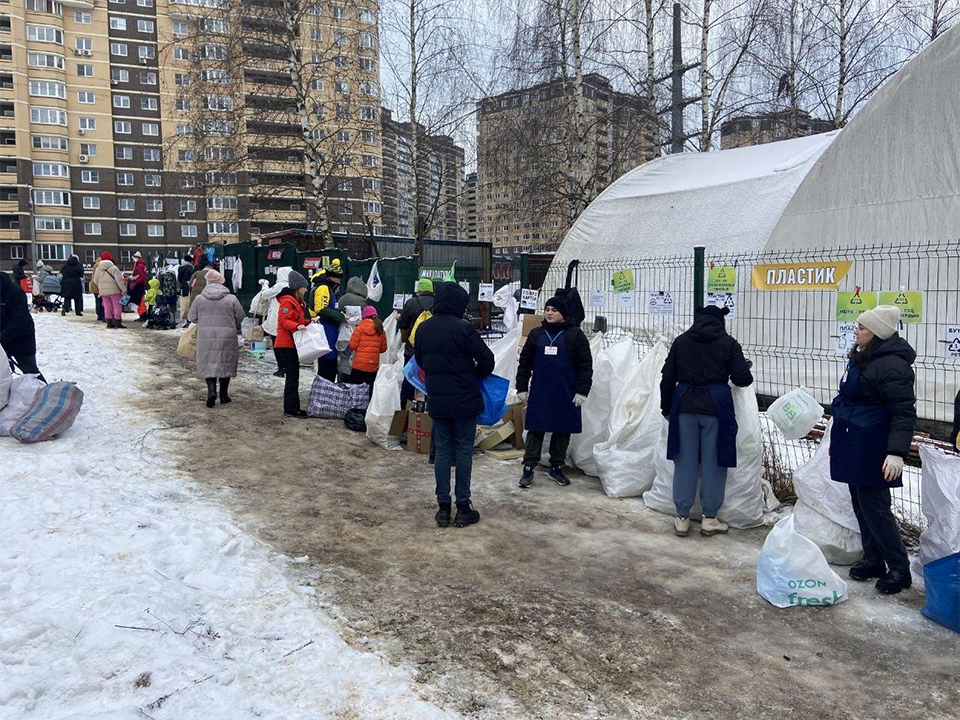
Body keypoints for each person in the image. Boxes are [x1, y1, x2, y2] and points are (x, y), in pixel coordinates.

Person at [830, 305, 917, 595]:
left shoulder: (892, 365)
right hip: (854, 439)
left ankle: (900, 569)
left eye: (862, 327)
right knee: (859, 501)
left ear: (877, 333)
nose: (856, 331)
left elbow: (903, 412)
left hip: (874, 445)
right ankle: (873, 559)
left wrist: (896, 452)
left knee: (876, 507)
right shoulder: (862, 356)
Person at [660, 305, 753, 538]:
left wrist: (666, 407)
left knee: (685, 461)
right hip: (716, 406)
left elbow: (667, 377)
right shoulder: (729, 343)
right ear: (721, 321)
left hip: (684, 405)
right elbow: (743, 379)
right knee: (714, 461)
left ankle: (682, 518)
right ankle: (710, 518)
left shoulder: (681, 341)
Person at [414, 283, 494, 528]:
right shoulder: (464, 328)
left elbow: (420, 360)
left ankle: (442, 508)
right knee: (463, 451)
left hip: (438, 398)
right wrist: (474, 373)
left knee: (442, 452)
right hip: (465, 399)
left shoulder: (424, 328)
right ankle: (463, 507)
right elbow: (487, 360)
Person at [516, 296, 593, 488]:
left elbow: (585, 366)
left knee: (562, 429)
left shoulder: (575, 335)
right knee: (536, 429)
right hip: (541, 391)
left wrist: (582, 391)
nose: (549, 313)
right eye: (547, 309)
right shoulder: (536, 334)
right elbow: (524, 363)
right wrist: (522, 387)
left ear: (563, 314)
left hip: (565, 392)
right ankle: (528, 467)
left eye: (554, 310)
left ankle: (556, 466)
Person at [187, 270, 246, 408]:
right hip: (227, 335)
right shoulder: (231, 298)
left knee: (209, 362)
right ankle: (224, 395)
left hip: (206, 335)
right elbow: (241, 316)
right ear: (222, 282)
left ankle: (211, 391)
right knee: (225, 362)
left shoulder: (199, 299)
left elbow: (191, 318)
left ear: (207, 282)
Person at [274, 270, 310, 418]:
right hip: (286, 345)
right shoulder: (288, 302)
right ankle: (290, 409)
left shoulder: (295, 301)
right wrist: (297, 326)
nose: (306, 290)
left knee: (294, 376)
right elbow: (283, 321)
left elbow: (297, 321)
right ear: (297, 287)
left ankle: (293, 407)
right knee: (292, 377)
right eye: (304, 287)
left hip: (291, 344)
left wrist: (308, 322)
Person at [398, 278, 435, 408]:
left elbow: (403, 325)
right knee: (431, 382)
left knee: (409, 379)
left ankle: (405, 412)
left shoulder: (411, 303)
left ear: (419, 290)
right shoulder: (438, 304)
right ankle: (429, 415)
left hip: (412, 351)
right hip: (432, 351)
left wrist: (406, 340)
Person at [0, 272, 44, 379]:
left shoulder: (15, 292)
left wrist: (1, 338)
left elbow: (19, 321)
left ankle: (43, 393)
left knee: (30, 371)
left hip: (21, 338)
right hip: (3, 337)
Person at [308, 269, 345, 382]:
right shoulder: (323, 288)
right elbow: (321, 309)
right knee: (327, 369)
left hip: (329, 333)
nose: (339, 282)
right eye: (338, 279)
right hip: (326, 334)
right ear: (332, 278)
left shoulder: (325, 287)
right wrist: (341, 317)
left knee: (328, 368)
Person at [348, 305, 387, 390]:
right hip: (373, 367)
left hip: (358, 366)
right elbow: (383, 349)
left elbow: (352, 345)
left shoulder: (359, 329)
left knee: (355, 390)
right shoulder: (380, 330)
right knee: (369, 391)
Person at [92, 252, 128, 329]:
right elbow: (119, 281)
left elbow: (95, 280)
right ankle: (117, 321)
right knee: (117, 305)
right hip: (114, 291)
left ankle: (109, 322)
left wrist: (101, 285)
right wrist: (124, 289)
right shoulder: (114, 268)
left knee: (107, 306)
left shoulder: (98, 269)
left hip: (103, 292)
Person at [128, 251, 147, 319]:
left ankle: (142, 315)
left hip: (139, 285)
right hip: (141, 285)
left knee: (140, 301)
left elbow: (141, 277)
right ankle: (142, 315)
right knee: (141, 301)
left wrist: (134, 282)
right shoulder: (141, 265)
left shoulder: (139, 266)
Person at [89, 256, 105, 322]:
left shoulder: (96, 265)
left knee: (97, 300)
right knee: (101, 301)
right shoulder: (101, 265)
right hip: (99, 285)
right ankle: (101, 315)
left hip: (94, 285)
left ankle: (99, 315)